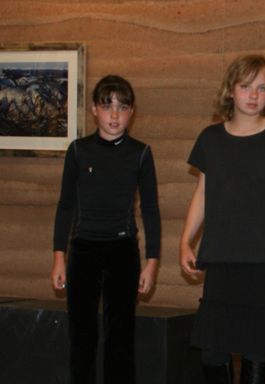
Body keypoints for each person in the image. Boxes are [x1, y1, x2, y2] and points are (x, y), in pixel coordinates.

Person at [179, 54, 265, 384]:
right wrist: (185, 241)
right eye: (246, 86)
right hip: (222, 257)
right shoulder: (210, 138)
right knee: (212, 348)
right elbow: (202, 194)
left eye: (262, 88)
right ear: (231, 90)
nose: (253, 95)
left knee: (257, 348)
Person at [51, 75, 162, 384]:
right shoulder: (77, 150)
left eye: (122, 107)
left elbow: (151, 209)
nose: (115, 115)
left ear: (132, 112)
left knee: (120, 340)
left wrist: (152, 262)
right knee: (82, 338)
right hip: (83, 249)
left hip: (122, 251)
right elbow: (65, 205)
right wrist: (59, 256)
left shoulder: (141, 153)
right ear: (94, 110)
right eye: (107, 106)